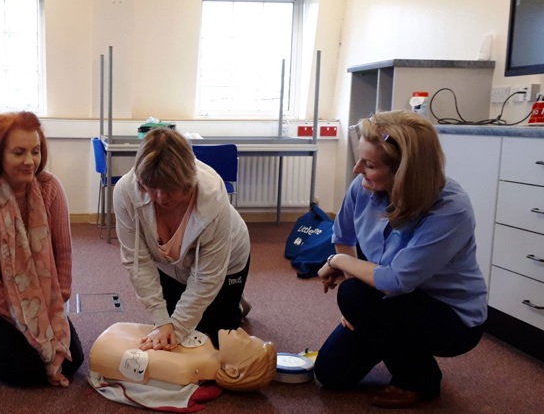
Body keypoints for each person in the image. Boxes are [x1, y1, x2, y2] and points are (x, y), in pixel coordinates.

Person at [314, 110, 487, 408]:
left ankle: (419, 379)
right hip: (389, 300)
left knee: (353, 294)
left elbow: (395, 280)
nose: (357, 169)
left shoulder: (450, 209)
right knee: (331, 374)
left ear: (405, 172)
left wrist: (338, 263)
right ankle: (391, 337)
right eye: (360, 160)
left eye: (369, 165)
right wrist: (360, 312)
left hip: (449, 317)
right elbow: (344, 237)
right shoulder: (363, 187)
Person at [0, 111, 83, 387]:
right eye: (19, 152)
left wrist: (54, 307)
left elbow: (63, 254)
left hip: (37, 297)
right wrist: (22, 318)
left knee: (71, 361)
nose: (30, 161)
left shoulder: (50, 187)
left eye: (35, 151)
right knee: (27, 371)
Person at [113, 127, 251, 351]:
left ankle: (235, 303)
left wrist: (177, 328)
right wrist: (163, 322)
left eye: (169, 190)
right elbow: (137, 261)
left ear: (188, 181)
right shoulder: (125, 192)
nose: (160, 197)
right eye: (152, 188)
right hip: (169, 266)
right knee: (169, 332)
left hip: (226, 264)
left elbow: (206, 278)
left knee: (214, 343)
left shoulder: (214, 201)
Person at [89, 322, 277, 391]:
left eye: (245, 342)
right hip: (118, 338)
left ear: (233, 371)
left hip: (105, 349)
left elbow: (135, 361)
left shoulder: (185, 369)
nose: (242, 332)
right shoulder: (206, 343)